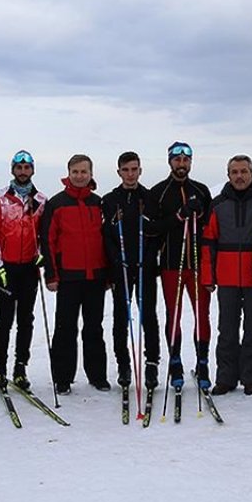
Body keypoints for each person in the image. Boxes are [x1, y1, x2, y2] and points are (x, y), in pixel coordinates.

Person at [201, 155, 252, 395]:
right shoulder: (218, 204)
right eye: (235, 172)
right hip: (227, 277)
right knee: (227, 330)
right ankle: (226, 377)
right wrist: (207, 276)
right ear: (228, 175)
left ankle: (251, 378)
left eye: (244, 171)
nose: (240, 176)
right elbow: (208, 242)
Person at [146, 142, 214, 391]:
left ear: (191, 162)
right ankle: (175, 363)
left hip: (197, 264)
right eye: (177, 159)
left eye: (185, 160)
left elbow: (210, 227)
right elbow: (150, 228)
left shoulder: (202, 190)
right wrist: (179, 217)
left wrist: (199, 216)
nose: (181, 164)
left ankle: (203, 362)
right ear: (170, 162)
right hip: (170, 264)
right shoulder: (159, 192)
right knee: (173, 316)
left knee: (202, 315)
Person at [39, 154, 109, 393]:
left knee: (94, 327)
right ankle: (63, 378)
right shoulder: (57, 204)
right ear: (68, 174)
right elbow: (47, 241)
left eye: (84, 172)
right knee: (65, 328)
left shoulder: (98, 203)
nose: (80, 176)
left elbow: (107, 241)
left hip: (95, 277)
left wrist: (108, 274)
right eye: (75, 172)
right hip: (68, 276)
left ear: (91, 174)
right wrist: (51, 274)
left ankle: (97, 375)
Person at [102, 151, 161, 389]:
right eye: (125, 170)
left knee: (148, 316)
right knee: (120, 317)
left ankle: (152, 364)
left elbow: (157, 231)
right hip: (122, 267)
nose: (130, 174)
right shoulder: (110, 199)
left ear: (140, 170)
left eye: (134, 169)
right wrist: (116, 260)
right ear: (119, 172)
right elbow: (106, 234)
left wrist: (150, 256)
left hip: (144, 266)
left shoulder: (149, 197)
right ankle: (123, 364)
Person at [0, 151, 47, 390]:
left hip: (29, 267)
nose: (23, 171)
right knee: (5, 318)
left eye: (27, 167)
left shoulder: (41, 200)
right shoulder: (0, 197)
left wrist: (41, 253)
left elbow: (44, 233)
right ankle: (0, 367)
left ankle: (20, 367)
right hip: (6, 268)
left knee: (26, 319)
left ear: (32, 170)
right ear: (13, 170)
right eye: (19, 167)